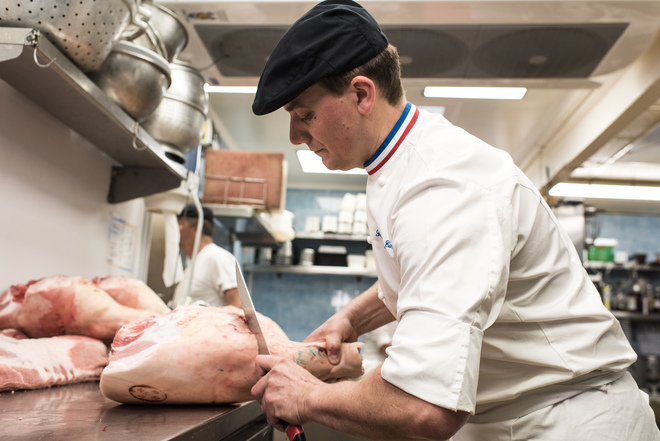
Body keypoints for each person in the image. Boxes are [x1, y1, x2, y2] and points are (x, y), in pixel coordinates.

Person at [247, 1, 660, 440]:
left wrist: (306, 396)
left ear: (362, 94)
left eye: (304, 114)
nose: (295, 135)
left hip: (567, 418)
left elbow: (424, 407)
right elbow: (427, 270)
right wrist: (350, 318)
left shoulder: (444, 189)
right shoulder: (394, 165)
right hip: (506, 416)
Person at [172, 204, 241, 308]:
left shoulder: (217, 257)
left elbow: (238, 307)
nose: (175, 232)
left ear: (196, 228)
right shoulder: (195, 263)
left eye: (180, 226)